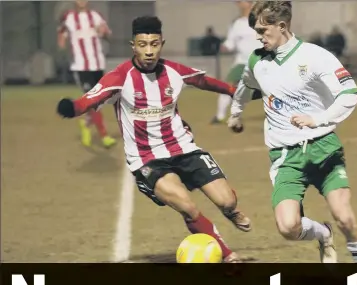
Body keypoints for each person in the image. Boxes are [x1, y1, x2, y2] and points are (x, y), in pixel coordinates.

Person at [57, 16, 251, 263]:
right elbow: (90, 99)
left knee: (227, 200)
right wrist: (72, 108)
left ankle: (230, 211)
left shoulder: (173, 71)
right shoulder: (119, 77)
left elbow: (203, 81)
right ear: (133, 46)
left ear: (162, 44)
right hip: (147, 159)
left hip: (183, 147)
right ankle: (226, 253)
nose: (149, 51)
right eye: (142, 44)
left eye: (154, 44)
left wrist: (234, 91)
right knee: (187, 206)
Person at [228, 1, 357, 264]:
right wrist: (235, 114)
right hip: (285, 157)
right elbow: (244, 85)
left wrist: (317, 119)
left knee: (345, 218)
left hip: (323, 149)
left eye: (263, 31)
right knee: (288, 227)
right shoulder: (257, 60)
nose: (258, 36)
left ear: (282, 26)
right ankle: (323, 233)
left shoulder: (316, 56)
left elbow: (350, 95)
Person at [57, 0, 116, 148]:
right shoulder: (68, 17)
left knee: (100, 100)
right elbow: (61, 39)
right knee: (93, 101)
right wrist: (63, 41)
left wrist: (104, 33)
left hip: (97, 65)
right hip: (81, 66)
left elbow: (108, 34)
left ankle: (86, 122)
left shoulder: (96, 16)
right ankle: (104, 135)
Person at [210, 0, 262, 124]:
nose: (238, 4)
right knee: (227, 87)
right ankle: (219, 116)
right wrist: (224, 47)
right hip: (241, 62)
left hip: (261, 61)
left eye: (240, 1)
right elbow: (230, 43)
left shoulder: (260, 21)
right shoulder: (236, 23)